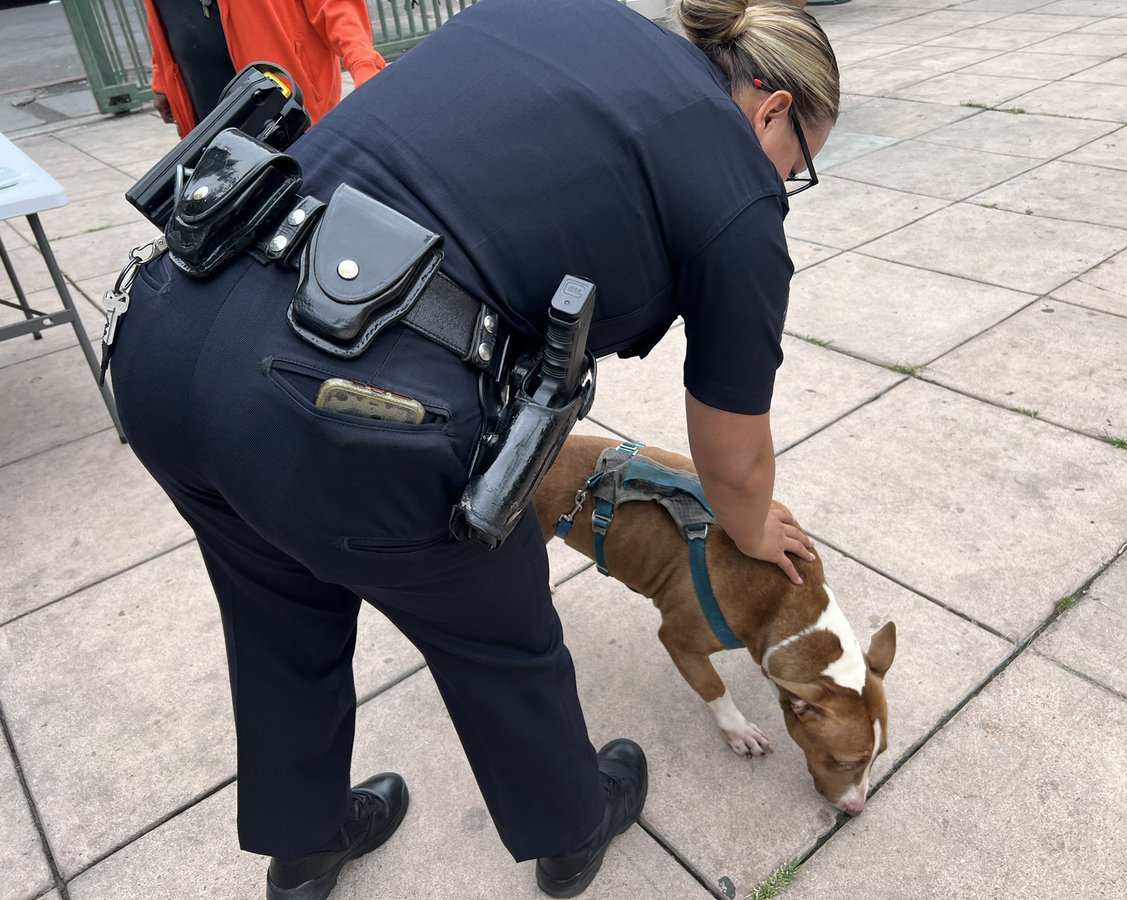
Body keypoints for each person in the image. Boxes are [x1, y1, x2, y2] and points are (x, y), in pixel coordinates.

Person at [109, 0, 838, 896]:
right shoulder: (738, 184)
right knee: (499, 637)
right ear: (771, 110)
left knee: (274, 613)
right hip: (343, 401)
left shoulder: (566, 12)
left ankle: (305, 845)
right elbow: (733, 458)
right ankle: (571, 830)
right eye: (799, 165)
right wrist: (752, 527)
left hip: (167, 329)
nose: (783, 185)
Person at [144, 0, 385, 137]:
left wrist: (362, 63)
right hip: (207, 109)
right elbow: (166, 19)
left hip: (286, 102)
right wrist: (162, 79)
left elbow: (335, 5)